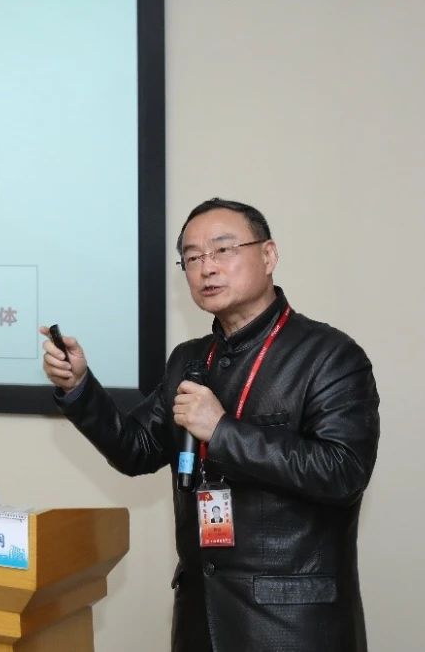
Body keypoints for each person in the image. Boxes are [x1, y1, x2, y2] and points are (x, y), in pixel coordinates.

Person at [41, 198, 379, 652]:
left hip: (290, 625)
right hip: (199, 619)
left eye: (223, 250)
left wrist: (222, 432)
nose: (207, 268)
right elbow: (136, 449)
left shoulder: (329, 356)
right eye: (193, 257)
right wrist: (80, 387)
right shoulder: (190, 359)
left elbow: (343, 473)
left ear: (268, 255)